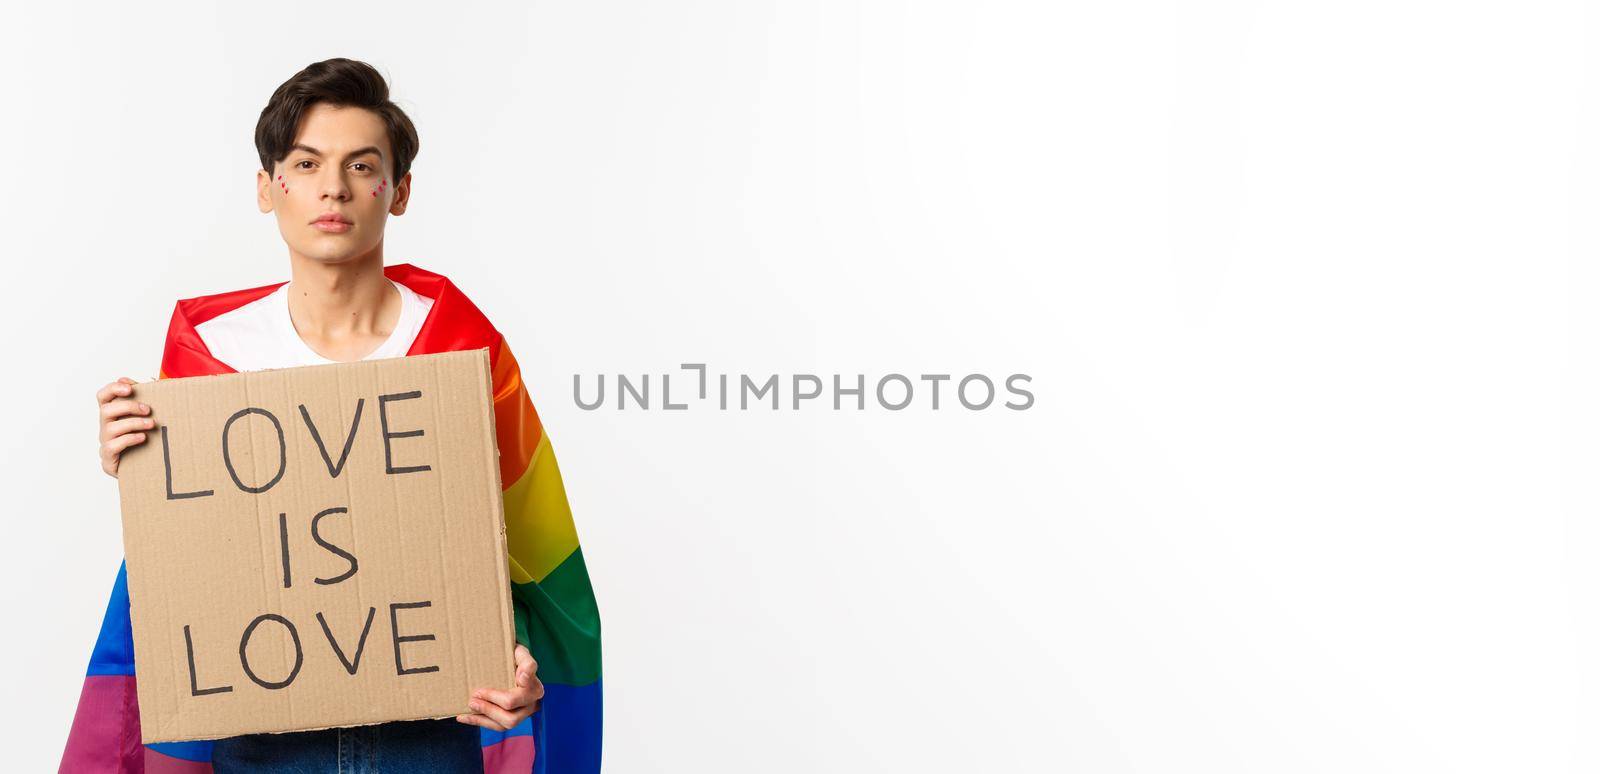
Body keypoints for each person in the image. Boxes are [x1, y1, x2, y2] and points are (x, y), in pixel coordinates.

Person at [58, 59, 602, 773]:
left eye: (361, 165)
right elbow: (190, 564)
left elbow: (527, 558)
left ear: (398, 191)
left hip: (428, 738)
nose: (333, 188)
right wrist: (132, 461)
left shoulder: (465, 352)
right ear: (267, 187)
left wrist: (521, 672)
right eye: (307, 163)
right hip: (258, 740)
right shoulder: (209, 353)